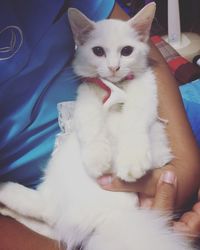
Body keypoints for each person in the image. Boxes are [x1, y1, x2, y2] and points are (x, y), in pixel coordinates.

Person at [0, 1, 199, 249]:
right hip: (68, 199)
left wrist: (184, 171)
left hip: (148, 175)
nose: (113, 66)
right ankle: (51, 206)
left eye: (125, 51)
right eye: (100, 53)